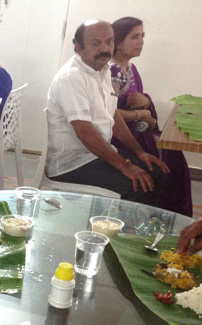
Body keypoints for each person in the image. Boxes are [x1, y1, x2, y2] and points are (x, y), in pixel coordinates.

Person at [46, 20, 169, 206]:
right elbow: (85, 133)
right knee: (139, 185)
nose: (104, 48)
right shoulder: (72, 78)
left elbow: (113, 116)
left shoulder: (102, 70)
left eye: (109, 42)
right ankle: (115, 232)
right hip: (71, 164)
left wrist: (139, 152)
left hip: (95, 154)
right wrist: (124, 166)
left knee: (157, 173)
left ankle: (141, 231)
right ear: (79, 46)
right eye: (96, 43)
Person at [110, 16, 192, 217]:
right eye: (134, 37)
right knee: (166, 161)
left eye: (142, 36)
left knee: (173, 155)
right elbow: (109, 112)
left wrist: (146, 104)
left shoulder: (129, 68)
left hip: (137, 131)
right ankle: (158, 217)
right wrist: (143, 112)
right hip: (118, 137)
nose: (141, 42)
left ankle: (169, 217)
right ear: (119, 42)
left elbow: (140, 100)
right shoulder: (113, 71)